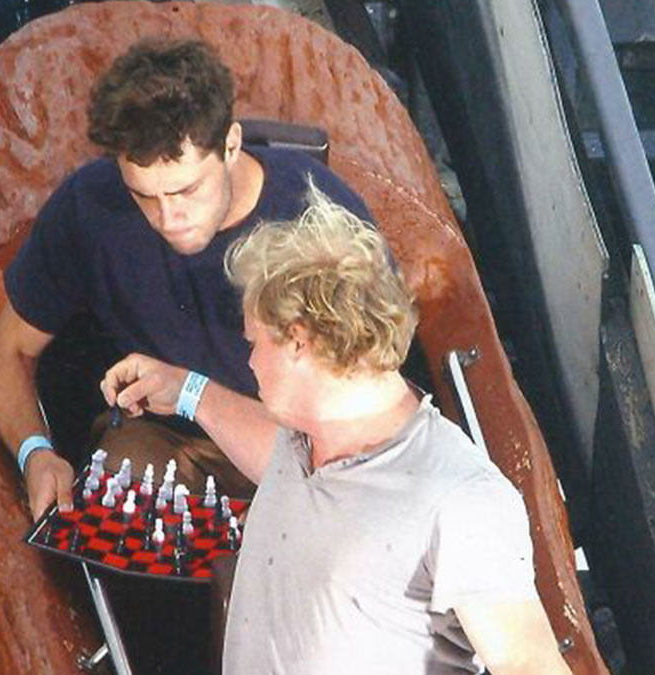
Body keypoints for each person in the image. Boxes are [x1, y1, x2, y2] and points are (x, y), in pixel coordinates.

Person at [101, 185, 573, 674]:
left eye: (255, 344)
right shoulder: (306, 437)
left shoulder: (460, 500)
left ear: (299, 342)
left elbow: (528, 662)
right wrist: (186, 389)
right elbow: (279, 463)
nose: (250, 362)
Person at [0, 38, 372, 520]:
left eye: (187, 189)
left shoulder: (318, 215)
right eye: (144, 196)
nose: (169, 217)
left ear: (230, 145)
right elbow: (6, 351)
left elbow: (366, 420)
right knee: (114, 496)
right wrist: (34, 452)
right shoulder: (88, 206)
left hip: (299, 443)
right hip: (167, 440)